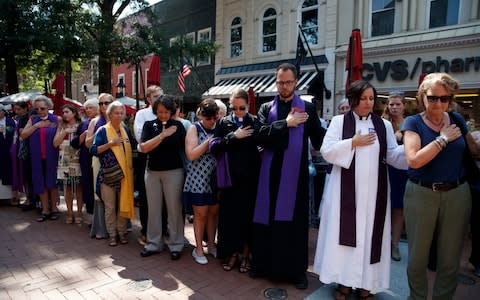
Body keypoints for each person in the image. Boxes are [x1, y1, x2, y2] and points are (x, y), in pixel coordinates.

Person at [313, 80, 407, 299]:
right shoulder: (338, 122)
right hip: (346, 195)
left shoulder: (383, 125)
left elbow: (392, 154)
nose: (368, 103)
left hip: (375, 195)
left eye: (371, 99)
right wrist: (352, 143)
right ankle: (344, 283)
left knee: (371, 238)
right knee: (346, 238)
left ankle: (367, 285)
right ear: (354, 99)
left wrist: (412, 151)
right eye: (363, 98)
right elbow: (326, 151)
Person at [250, 63, 325, 289]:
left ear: (296, 83)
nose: (284, 86)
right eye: (280, 82)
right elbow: (259, 135)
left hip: (295, 177)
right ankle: (263, 266)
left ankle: (296, 272)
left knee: (294, 224)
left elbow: (320, 139)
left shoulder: (308, 109)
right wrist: (287, 124)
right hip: (270, 175)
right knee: (268, 220)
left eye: (288, 82)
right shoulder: (265, 108)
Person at [402, 72, 476, 299]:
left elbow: (474, 151)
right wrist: (442, 139)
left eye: (444, 98)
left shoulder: (457, 120)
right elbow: (413, 159)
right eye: (433, 97)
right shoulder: (413, 122)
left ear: (450, 99)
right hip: (421, 193)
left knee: (450, 257)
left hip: (458, 193)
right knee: (417, 257)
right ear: (423, 96)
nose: (438, 103)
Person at [210, 89, 261, 272]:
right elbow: (214, 146)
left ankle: (246, 254)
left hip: (251, 179)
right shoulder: (224, 122)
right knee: (230, 219)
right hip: (230, 181)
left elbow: (262, 143)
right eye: (235, 107)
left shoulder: (255, 121)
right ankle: (231, 253)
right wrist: (233, 136)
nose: (239, 111)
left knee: (248, 218)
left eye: (242, 108)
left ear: (247, 105)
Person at [139, 95, 186, 260]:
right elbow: (144, 148)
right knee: (153, 210)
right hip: (152, 172)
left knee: (174, 209)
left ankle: (176, 244)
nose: (163, 115)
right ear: (155, 111)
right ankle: (153, 243)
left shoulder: (179, 126)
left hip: (174, 172)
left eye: (166, 112)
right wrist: (162, 135)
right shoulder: (149, 125)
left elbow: (185, 149)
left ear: (171, 111)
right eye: (160, 112)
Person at [90, 101, 135, 247]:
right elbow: (93, 150)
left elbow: (134, 146)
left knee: (123, 204)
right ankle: (112, 235)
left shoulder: (125, 130)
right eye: (116, 113)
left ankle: (122, 233)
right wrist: (110, 143)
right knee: (110, 207)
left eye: (122, 113)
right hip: (108, 176)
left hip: (124, 175)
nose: (120, 115)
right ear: (109, 114)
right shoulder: (102, 130)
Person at [183, 99, 219, 265]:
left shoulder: (219, 126)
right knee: (201, 214)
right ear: (202, 116)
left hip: (215, 178)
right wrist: (209, 141)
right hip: (198, 179)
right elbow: (191, 154)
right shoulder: (194, 128)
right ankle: (198, 249)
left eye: (214, 118)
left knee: (213, 213)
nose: (212, 121)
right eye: (208, 118)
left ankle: (211, 245)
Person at [20, 96, 60, 222]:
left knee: (52, 183)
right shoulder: (33, 119)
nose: (40, 111)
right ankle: (45, 210)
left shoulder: (56, 120)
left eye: (42, 108)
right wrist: (37, 126)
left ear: (48, 107)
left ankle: (54, 209)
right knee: (39, 182)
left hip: (52, 157)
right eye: (37, 109)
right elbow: (23, 134)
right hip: (37, 157)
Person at [133, 85, 164, 246]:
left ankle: (163, 230)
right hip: (147, 159)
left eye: (161, 95)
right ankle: (146, 231)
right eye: (156, 96)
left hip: (166, 161)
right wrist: (161, 139)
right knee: (146, 197)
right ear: (149, 99)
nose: (159, 98)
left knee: (165, 198)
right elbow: (140, 138)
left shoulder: (168, 112)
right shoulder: (142, 114)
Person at [381, 91, 408, 262]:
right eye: (392, 104)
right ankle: (382, 242)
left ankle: (395, 244)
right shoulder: (382, 123)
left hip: (403, 172)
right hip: (384, 170)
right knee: (383, 207)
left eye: (398, 104)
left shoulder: (410, 124)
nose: (394, 107)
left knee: (399, 209)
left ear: (404, 105)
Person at [85, 93, 111, 239]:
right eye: (101, 104)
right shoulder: (95, 122)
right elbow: (88, 144)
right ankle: (102, 228)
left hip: (117, 161)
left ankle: (119, 227)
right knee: (100, 193)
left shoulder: (119, 118)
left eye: (106, 103)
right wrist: (100, 133)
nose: (103, 106)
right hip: (99, 160)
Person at [54, 104, 83, 224]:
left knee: (79, 188)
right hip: (65, 161)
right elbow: (55, 143)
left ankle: (79, 212)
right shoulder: (62, 126)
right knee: (68, 188)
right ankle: (70, 212)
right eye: (63, 112)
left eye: (67, 112)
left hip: (78, 160)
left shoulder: (81, 125)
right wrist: (65, 131)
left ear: (74, 113)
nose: (64, 114)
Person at [70, 99, 99, 217]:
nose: (88, 110)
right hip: (85, 158)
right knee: (87, 184)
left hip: (98, 156)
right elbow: (75, 143)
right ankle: (92, 213)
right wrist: (84, 134)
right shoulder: (84, 123)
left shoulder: (102, 122)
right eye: (86, 108)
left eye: (91, 107)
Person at [9, 102, 28, 206]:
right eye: (15, 109)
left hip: (25, 150)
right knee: (22, 174)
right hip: (18, 149)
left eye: (19, 109)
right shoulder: (18, 119)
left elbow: (23, 133)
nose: (16, 112)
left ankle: (29, 198)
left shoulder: (27, 118)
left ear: (25, 108)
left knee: (25, 175)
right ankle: (26, 197)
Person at [0, 104, 15, 201]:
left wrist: (4, 129)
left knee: (7, 172)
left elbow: (12, 130)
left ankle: (8, 197)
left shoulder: (10, 121)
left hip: (6, 150)